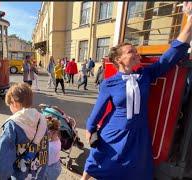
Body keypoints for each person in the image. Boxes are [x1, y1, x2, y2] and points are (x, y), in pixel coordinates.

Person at [82, 3, 192, 180]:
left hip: (138, 133)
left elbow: (171, 55)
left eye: (135, 50)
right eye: (131, 51)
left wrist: (190, 19)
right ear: (119, 59)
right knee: (98, 157)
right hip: (114, 130)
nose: (137, 53)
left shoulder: (145, 74)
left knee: (137, 170)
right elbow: (99, 110)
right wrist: (90, 128)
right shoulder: (109, 83)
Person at [0, 83, 48, 180]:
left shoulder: (12, 125)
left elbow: (3, 155)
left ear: (14, 102)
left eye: (9, 104)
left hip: (19, 175)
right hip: (38, 173)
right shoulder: (41, 119)